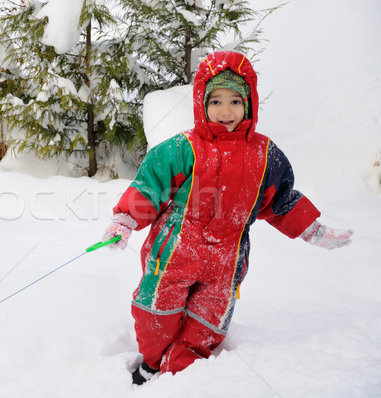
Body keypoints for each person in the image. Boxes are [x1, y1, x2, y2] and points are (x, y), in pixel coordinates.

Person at [102, 51, 353, 385]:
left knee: (207, 325)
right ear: (201, 103)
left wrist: (313, 230)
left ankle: (180, 376)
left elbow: (280, 201)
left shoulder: (265, 155)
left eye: (236, 101)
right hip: (176, 252)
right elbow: (150, 187)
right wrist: (125, 221)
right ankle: (150, 362)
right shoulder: (184, 147)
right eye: (216, 101)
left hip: (227, 259)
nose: (225, 111)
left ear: (249, 104)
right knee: (155, 312)